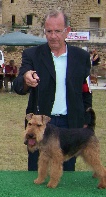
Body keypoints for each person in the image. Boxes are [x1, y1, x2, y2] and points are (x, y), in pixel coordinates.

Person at [12, 9, 92, 171]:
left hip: (70, 124)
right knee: (37, 170)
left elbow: (86, 90)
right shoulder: (32, 54)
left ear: (67, 31)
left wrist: (86, 120)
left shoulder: (81, 57)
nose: (53, 36)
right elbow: (18, 86)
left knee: (66, 172)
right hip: (40, 124)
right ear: (44, 31)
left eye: (57, 31)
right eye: (49, 31)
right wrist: (27, 78)